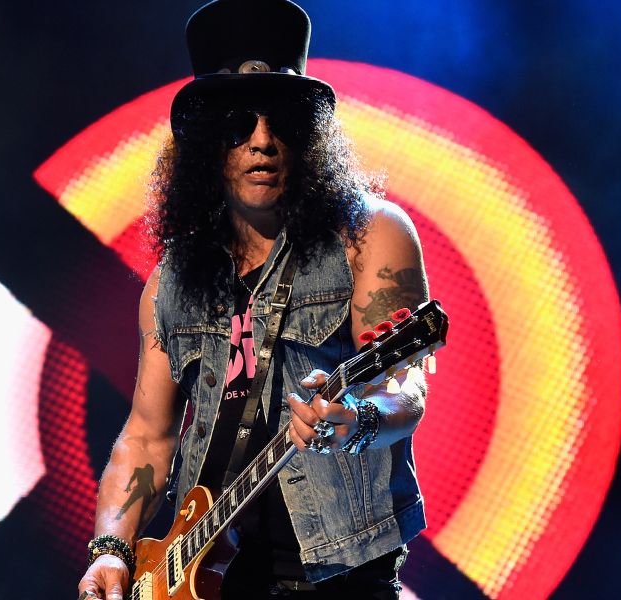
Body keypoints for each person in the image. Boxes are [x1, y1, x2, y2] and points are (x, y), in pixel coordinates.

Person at [77, 1, 429, 598]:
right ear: (207, 143)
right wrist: (111, 549)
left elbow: (405, 385)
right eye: (239, 124)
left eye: (281, 122)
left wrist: (359, 419)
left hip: (340, 578)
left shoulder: (369, 235)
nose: (262, 141)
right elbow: (147, 435)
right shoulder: (172, 281)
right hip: (209, 572)